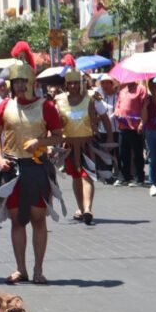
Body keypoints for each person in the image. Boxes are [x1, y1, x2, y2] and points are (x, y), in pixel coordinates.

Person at [0, 41, 65, 285]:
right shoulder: (3, 106)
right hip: (12, 169)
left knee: (38, 219)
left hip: (36, 168)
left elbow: (58, 136)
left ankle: (38, 269)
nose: (20, 86)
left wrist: (40, 141)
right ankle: (20, 268)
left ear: (32, 82)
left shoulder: (47, 106)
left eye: (24, 81)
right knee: (16, 220)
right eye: (16, 82)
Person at [54, 55, 113, 225]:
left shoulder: (92, 97)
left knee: (87, 175)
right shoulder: (59, 100)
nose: (72, 86)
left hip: (88, 143)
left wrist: (109, 136)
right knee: (75, 177)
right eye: (70, 83)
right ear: (66, 84)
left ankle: (88, 209)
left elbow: (104, 117)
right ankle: (80, 208)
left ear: (80, 83)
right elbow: (52, 123)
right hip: (69, 145)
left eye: (75, 83)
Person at [114, 80, 147, 186]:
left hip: (135, 126)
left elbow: (144, 106)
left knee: (137, 153)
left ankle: (139, 178)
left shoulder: (141, 89)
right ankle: (125, 177)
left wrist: (142, 123)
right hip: (123, 125)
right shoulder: (123, 91)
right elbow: (118, 105)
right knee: (123, 152)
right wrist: (117, 111)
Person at [142, 78, 156, 197]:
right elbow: (144, 119)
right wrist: (145, 107)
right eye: (152, 84)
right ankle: (153, 183)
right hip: (151, 131)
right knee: (153, 158)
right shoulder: (146, 99)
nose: (154, 86)